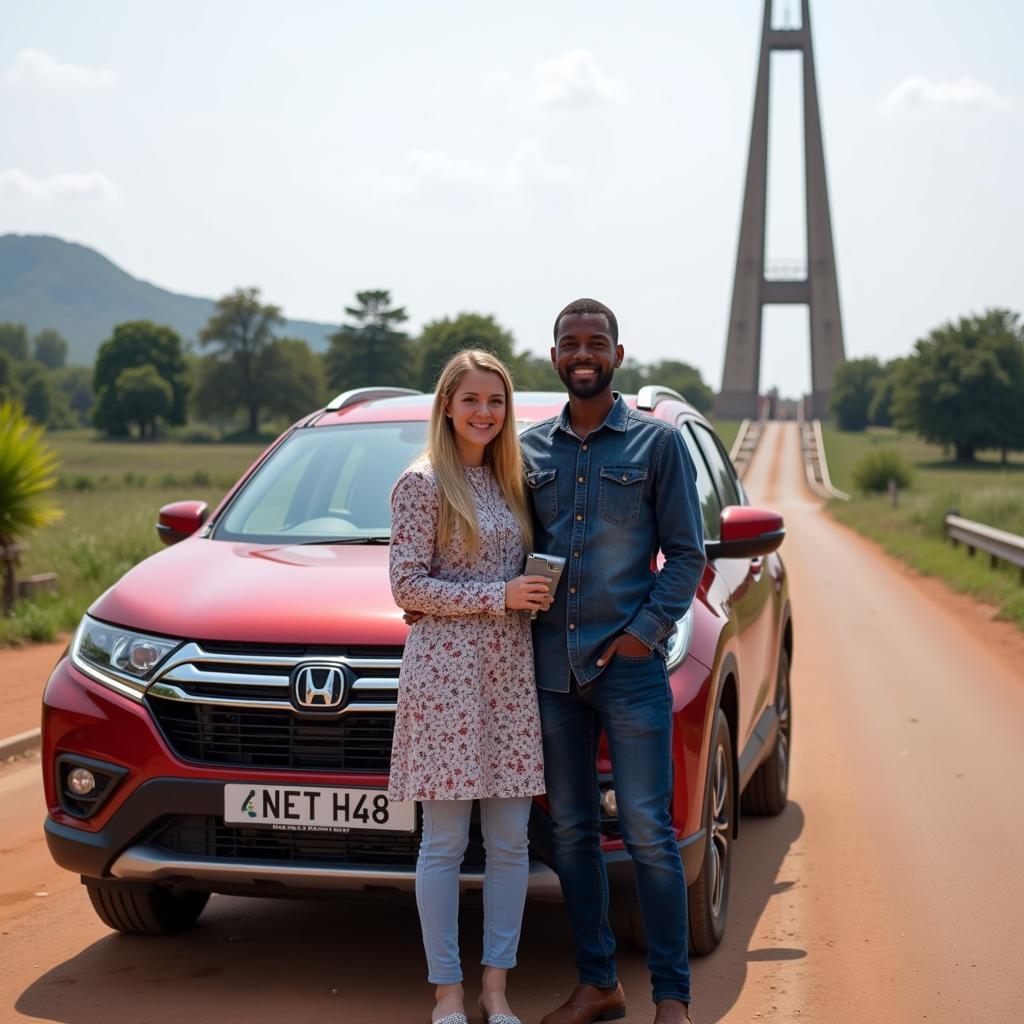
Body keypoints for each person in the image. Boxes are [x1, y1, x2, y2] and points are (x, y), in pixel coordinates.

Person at [518, 299, 706, 1024]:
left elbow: (686, 553)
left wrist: (644, 633)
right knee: (569, 831)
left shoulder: (657, 445)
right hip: (551, 674)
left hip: (628, 671)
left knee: (649, 832)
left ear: (617, 356)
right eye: (571, 343)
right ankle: (599, 983)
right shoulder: (530, 450)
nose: (583, 353)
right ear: (556, 355)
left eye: (596, 342)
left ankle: (672, 998)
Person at [388, 349, 552, 1024]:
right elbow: (406, 585)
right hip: (447, 681)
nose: (485, 413)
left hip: (509, 676)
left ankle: (495, 989)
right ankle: (447, 994)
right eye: (472, 400)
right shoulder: (421, 483)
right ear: (447, 406)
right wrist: (499, 595)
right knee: (445, 843)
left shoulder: (510, 483)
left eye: (496, 401)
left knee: (512, 841)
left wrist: (535, 590)